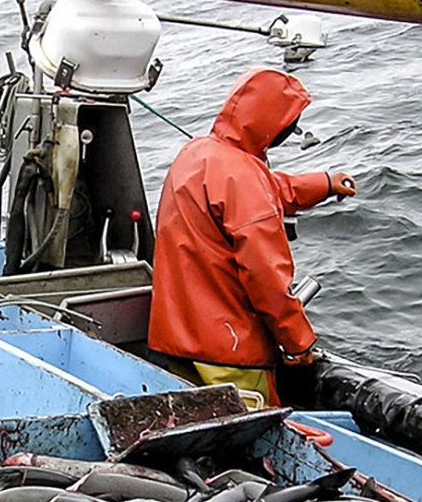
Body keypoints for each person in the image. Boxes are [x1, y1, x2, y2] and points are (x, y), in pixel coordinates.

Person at [147, 67, 356, 408]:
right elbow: (267, 278)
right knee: (246, 428)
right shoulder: (243, 178)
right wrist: (299, 343)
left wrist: (323, 183)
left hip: (176, 339)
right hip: (229, 353)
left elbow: (266, 189)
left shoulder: (197, 153)